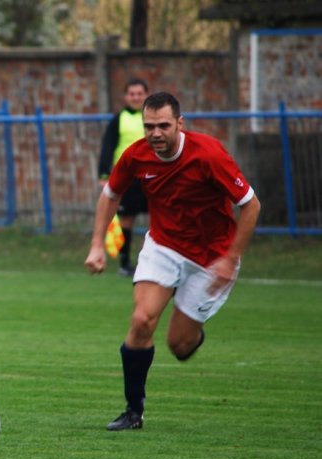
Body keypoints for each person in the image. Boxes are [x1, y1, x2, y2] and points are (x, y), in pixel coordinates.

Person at [84, 92, 261, 431]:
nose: (155, 133)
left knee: (178, 346)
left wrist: (230, 258)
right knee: (141, 321)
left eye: (163, 125)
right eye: (149, 126)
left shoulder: (208, 154)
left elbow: (250, 205)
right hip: (164, 246)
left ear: (179, 124)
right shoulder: (137, 155)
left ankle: (192, 333)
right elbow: (111, 194)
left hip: (212, 258)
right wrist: (96, 245)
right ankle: (133, 412)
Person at [98, 78, 150, 277]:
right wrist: (104, 174)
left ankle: (154, 261)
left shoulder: (152, 117)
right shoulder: (119, 119)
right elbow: (107, 146)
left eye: (139, 93)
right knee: (126, 219)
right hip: (128, 178)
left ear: (146, 95)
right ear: (126, 96)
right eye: (132, 94)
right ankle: (125, 262)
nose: (136, 97)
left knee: (160, 217)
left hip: (152, 176)